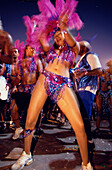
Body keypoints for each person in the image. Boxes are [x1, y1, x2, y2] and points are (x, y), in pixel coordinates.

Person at [11, 0, 92, 169]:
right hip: (44, 80)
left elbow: (70, 39)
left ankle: (86, 164)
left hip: (63, 85)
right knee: (29, 122)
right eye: (55, 34)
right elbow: (42, 37)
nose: (57, 35)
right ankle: (26, 154)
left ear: (66, 35)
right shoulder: (49, 50)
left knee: (79, 126)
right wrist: (47, 25)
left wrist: (62, 26)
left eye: (60, 34)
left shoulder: (74, 49)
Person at [72, 41, 102, 154]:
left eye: (78, 47)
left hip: (87, 89)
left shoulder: (91, 56)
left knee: (85, 117)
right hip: (80, 90)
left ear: (84, 48)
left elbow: (99, 70)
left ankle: (89, 142)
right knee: (80, 117)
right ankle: (82, 138)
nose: (76, 49)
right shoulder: (81, 59)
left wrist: (84, 73)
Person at [11, 45, 43, 140]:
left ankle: (36, 129)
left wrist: (39, 90)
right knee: (12, 108)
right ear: (26, 50)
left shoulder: (37, 61)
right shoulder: (20, 63)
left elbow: (41, 76)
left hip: (33, 88)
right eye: (31, 48)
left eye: (34, 48)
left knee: (35, 111)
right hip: (22, 89)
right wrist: (13, 85)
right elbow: (19, 77)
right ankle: (18, 128)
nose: (34, 50)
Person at [95, 67, 112, 132]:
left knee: (110, 111)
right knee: (99, 110)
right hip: (101, 93)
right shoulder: (100, 77)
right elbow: (98, 85)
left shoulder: (110, 77)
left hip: (108, 93)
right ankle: (97, 128)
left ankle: (111, 128)